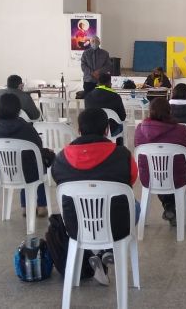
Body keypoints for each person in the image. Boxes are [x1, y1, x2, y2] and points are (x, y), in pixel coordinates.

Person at [52, 108, 139, 286]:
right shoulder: (122, 155)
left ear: (79, 130)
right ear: (107, 129)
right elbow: (132, 179)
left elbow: (57, 179)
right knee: (135, 206)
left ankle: (96, 253)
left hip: (77, 224)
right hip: (116, 225)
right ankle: (106, 250)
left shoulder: (62, 158)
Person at [0, 93, 54, 217]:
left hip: (2, 173)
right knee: (36, 163)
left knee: (26, 162)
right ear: (18, 109)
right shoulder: (25, 127)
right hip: (28, 172)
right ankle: (41, 205)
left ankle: (25, 206)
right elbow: (37, 146)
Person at [134, 98, 186, 228]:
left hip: (149, 177)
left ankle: (169, 206)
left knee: (159, 171)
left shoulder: (140, 129)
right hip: (178, 176)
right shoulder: (181, 130)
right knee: (173, 171)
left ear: (150, 111)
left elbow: (137, 148)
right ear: (169, 111)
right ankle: (171, 207)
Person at [83, 73, 126, 141]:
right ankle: (118, 148)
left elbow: (87, 116)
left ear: (98, 83)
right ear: (110, 83)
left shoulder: (88, 96)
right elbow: (122, 117)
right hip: (112, 131)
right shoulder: (116, 96)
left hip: (93, 131)